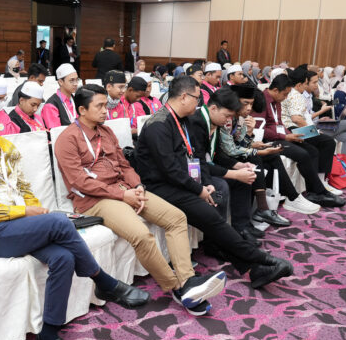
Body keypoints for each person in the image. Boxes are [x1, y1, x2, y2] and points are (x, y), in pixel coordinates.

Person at [0, 92, 149, 340]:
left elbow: (23, 188)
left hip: (20, 226)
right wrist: (25, 213)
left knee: (63, 257)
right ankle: (103, 282)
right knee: (59, 222)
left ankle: (48, 337)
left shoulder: (5, 146)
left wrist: (33, 213)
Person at [54, 84, 227, 316]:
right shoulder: (67, 139)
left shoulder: (106, 132)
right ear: (82, 110)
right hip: (96, 199)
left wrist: (137, 186)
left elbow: (125, 165)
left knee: (176, 218)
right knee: (141, 235)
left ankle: (187, 280)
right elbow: (79, 181)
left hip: (126, 189)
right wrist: (122, 195)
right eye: (100, 106)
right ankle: (178, 287)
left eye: (106, 105)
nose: (106, 110)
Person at [135, 76, 293, 288]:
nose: (200, 102)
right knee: (212, 218)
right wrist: (198, 189)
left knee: (213, 219)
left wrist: (205, 183)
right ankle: (261, 259)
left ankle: (253, 268)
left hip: (176, 182)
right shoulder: (159, 124)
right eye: (197, 98)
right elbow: (170, 169)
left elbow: (195, 158)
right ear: (184, 97)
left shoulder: (181, 120)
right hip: (158, 187)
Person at [257, 74, 346, 208]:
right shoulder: (261, 100)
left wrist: (290, 135)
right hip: (268, 140)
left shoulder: (277, 101)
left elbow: (279, 123)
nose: (286, 97)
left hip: (283, 134)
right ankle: (318, 192)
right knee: (303, 153)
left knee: (312, 150)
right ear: (275, 90)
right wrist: (286, 137)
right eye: (285, 94)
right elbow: (261, 129)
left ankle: (315, 191)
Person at [187, 88, 262, 244]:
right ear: (213, 108)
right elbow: (198, 162)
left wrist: (239, 165)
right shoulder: (197, 122)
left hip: (203, 165)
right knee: (221, 186)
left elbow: (217, 154)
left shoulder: (214, 121)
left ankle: (241, 228)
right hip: (191, 170)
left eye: (231, 117)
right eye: (227, 116)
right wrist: (233, 174)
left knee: (242, 179)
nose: (228, 120)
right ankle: (217, 241)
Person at [221, 84, 293, 226]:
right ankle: (263, 207)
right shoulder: (226, 118)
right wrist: (257, 149)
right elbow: (232, 150)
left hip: (232, 154)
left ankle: (285, 199)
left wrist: (249, 134)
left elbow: (241, 143)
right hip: (222, 158)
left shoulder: (239, 118)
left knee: (271, 156)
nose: (249, 108)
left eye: (251, 104)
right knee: (254, 158)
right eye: (245, 103)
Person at [279, 68, 341, 195]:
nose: (314, 85)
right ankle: (320, 181)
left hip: (290, 127)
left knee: (325, 141)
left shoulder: (295, 94)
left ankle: (320, 182)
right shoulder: (296, 95)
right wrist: (313, 131)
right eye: (309, 83)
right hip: (292, 129)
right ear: (299, 84)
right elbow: (296, 119)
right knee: (328, 142)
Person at [41, 63, 79, 128]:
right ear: (61, 82)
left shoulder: (75, 99)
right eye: (72, 80)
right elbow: (55, 132)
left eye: (77, 80)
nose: (75, 84)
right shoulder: (51, 105)